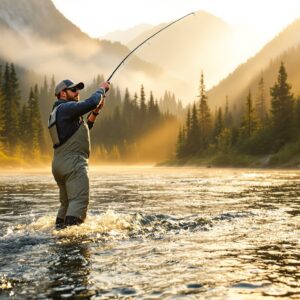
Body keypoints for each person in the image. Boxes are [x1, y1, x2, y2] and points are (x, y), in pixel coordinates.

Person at [48, 79, 110, 228]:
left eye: (78, 90)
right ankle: (71, 243)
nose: (77, 93)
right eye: (73, 90)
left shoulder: (58, 112)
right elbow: (92, 101)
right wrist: (102, 89)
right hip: (73, 163)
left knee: (66, 204)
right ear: (63, 93)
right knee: (79, 201)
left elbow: (83, 129)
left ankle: (60, 233)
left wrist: (96, 112)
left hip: (59, 164)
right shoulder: (66, 108)